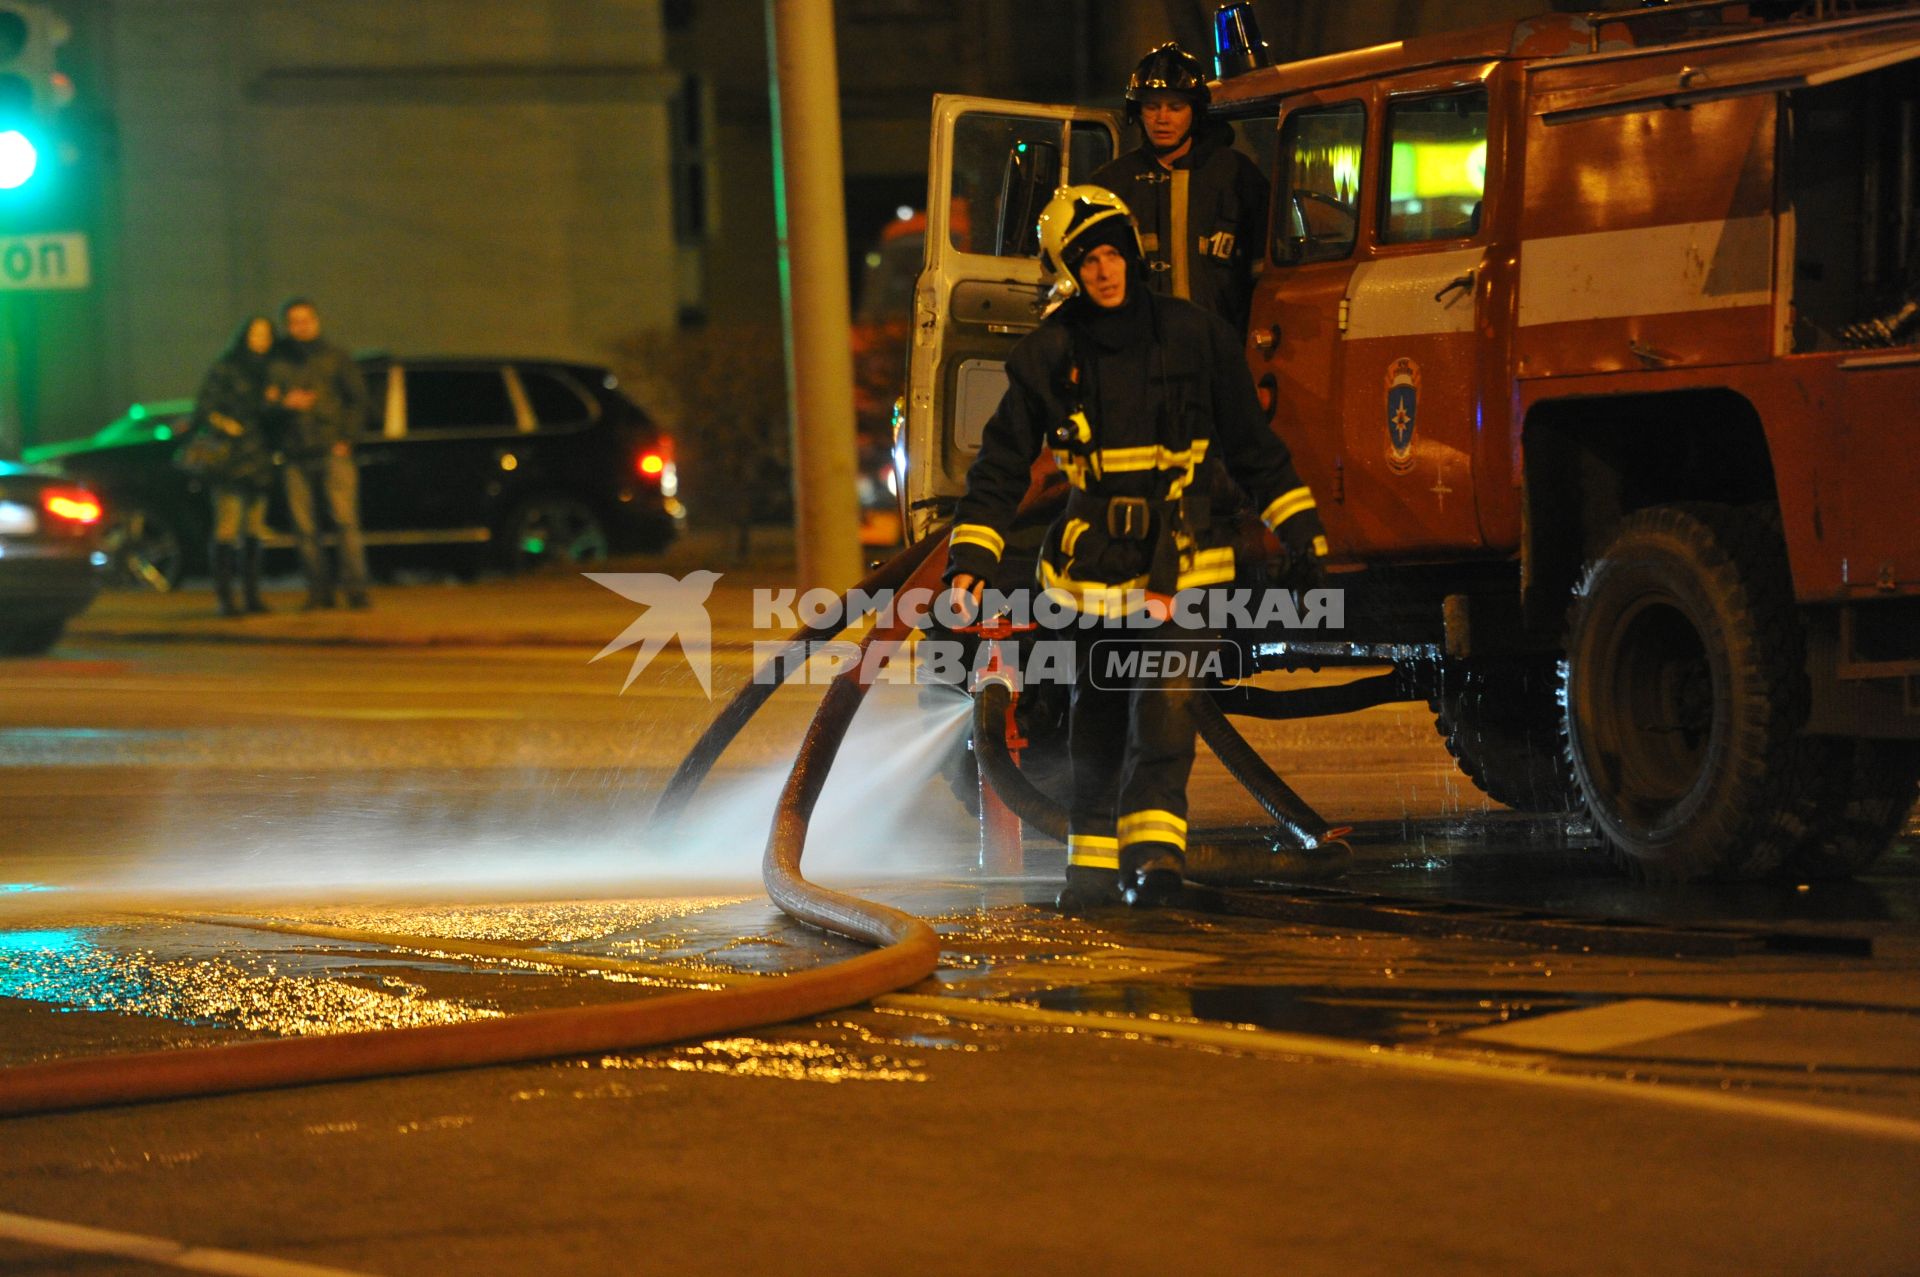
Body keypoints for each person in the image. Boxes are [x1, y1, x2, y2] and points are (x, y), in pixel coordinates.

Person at [944, 186, 1327, 909]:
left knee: (1163, 708)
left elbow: (1252, 446)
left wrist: (1301, 529)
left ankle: (1154, 862)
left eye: (1114, 253)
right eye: (1089, 260)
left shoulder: (1195, 336)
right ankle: (1092, 866)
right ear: (1069, 270)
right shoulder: (1048, 355)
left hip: (1185, 565)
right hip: (1091, 578)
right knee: (1097, 717)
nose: (1105, 271)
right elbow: (1000, 467)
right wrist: (970, 565)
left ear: (1132, 256)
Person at [1091, 41, 1269, 331]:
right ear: (1138, 111)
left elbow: (1266, 273)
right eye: (1152, 106)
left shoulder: (1237, 175)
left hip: (1217, 349)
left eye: (1175, 107)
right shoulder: (1111, 184)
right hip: (1138, 352)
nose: (1162, 118)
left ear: (1195, 111)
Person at [268, 297, 371, 610]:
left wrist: (346, 439)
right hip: (295, 453)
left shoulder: (335, 357)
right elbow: (266, 405)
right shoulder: (278, 361)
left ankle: (357, 591)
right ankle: (319, 592)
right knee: (304, 529)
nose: (300, 326)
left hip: (331, 449)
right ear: (287, 325)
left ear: (316, 321)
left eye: (305, 320)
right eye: (294, 321)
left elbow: (358, 400)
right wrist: (284, 404)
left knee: (344, 522)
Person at [191, 314, 279, 617]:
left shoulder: (272, 371)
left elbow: (274, 416)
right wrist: (224, 424)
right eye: (255, 334)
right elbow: (204, 407)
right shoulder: (226, 367)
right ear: (243, 336)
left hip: (260, 456)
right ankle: (226, 599)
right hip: (230, 458)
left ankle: (253, 597)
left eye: (266, 335)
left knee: (255, 529)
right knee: (227, 528)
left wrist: (277, 403)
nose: (261, 340)